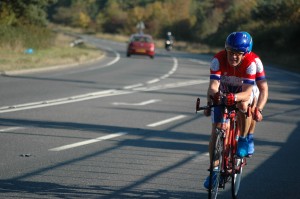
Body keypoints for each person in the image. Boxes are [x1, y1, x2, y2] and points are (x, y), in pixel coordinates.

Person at [203, 31, 262, 189]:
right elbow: (213, 86)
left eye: (238, 54)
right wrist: (213, 99)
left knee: (243, 106)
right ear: (226, 50)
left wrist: (235, 98)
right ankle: (214, 172)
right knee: (216, 131)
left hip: (241, 93)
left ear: (245, 54)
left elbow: (248, 92)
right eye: (230, 52)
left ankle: (243, 138)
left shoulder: (250, 63)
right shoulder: (218, 59)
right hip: (223, 92)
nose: (233, 56)